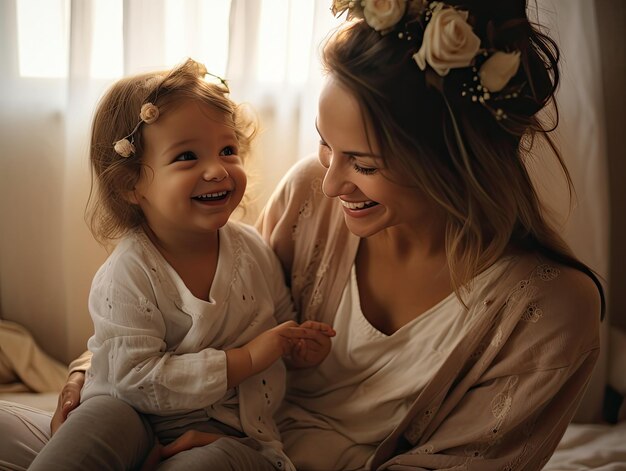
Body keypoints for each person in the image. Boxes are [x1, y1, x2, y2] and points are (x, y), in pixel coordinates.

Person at [0, 0, 604, 470]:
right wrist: (87, 373)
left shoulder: (547, 311)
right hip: (194, 421)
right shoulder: (311, 197)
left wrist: (243, 453)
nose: (331, 180)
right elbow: (200, 318)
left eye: (363, 164)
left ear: (457, 159)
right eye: (324, 144)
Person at [22, 58, 335, 471]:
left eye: (228, 150)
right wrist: (248, 359)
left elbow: (280, 331)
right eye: (187, 156)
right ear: (131, 184)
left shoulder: (254, 250)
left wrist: (301, 351)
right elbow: (133, 378)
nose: (217, 170)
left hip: (231, 427)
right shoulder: (128, 274)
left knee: (216, 463)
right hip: (130, 410)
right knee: (93, 427)